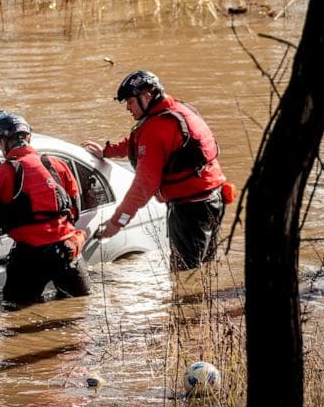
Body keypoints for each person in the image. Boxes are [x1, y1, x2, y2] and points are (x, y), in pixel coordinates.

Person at [82, 70, 229, 270]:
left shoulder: (156, 128)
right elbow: (140, 141)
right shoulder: (178, 109)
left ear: (147, 97)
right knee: (206, 269)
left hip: (189, 208)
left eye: (130, 101)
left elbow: (144, 186)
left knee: (184, 273)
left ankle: (190, 301)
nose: (127, 107)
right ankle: (206, 301)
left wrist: (117, 223)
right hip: (214, 198)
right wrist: (108, 151)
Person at [0, 111, 91, 308]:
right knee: (80, 311)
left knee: (15, 316)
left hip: (30, 258)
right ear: (28, 138)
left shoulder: (2, 173)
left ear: (2, 142)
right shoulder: (57, 164)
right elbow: (74, 209)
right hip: (67, 250)